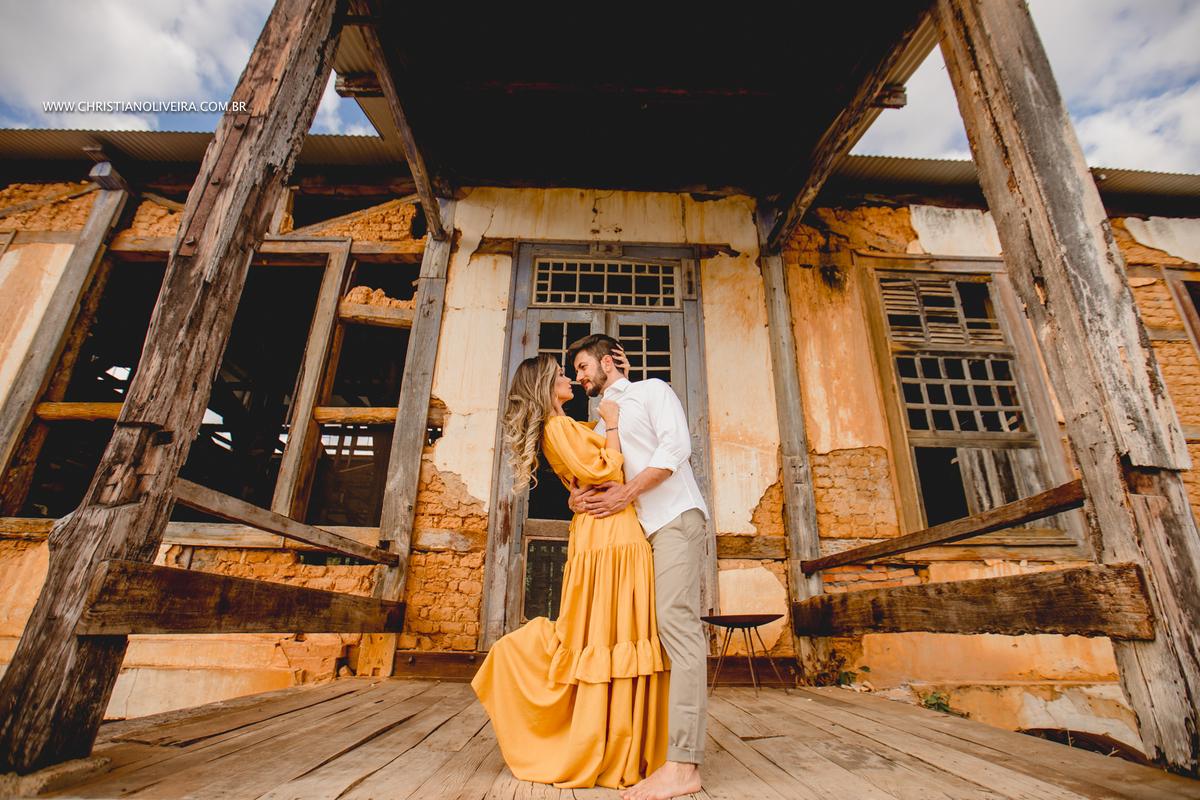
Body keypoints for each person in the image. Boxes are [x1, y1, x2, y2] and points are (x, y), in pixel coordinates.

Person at [471, 353, 670, 790]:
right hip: (609, 536)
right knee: (607, 631)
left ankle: (610, 736)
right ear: (546, 384)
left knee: (611, 631)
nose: (570, 379)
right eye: (562, 374)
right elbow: (607, 468)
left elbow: (590, 473)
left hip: (604, 530)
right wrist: (613, 421)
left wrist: (620, 389)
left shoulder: (569, 426)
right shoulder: (558, 426)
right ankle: (609, 740)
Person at [568, 334, 709, 800]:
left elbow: (677, 448)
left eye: (585, 366)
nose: (579, 376)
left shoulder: (652, 390)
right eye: (575, 371)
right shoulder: (600, 421)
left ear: (609, 362)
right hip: (637, 538)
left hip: (673, 520)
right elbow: (599, 475)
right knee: (652, 635)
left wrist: (626, 493)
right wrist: (578, 496)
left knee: (677, 627)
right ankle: (654, 751)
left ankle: (684, 765)